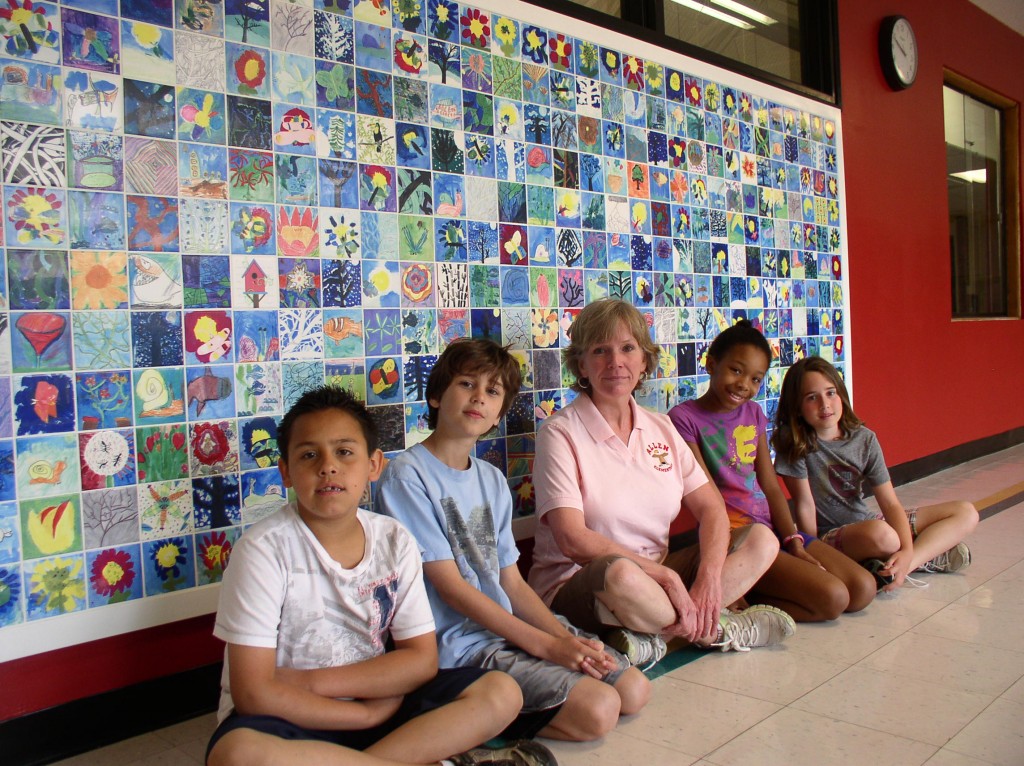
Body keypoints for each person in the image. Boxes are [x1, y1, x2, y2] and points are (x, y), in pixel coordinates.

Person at [206, 386, 557, 766]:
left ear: (374, 465)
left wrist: (349, 699)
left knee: (501, 693)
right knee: (237, 754)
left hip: (375, 700)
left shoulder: (394, 539)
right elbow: (254, 694)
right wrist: (364, 715)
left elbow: (420, 661)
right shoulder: (262, 551)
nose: (328, 466)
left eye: (344, 452)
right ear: (286, 472)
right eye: (309, 455)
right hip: (288, 716)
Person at [375, 338, 651, 743]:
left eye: (493, 391)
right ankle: (466, 711)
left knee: (632, 689)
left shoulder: (490, 480)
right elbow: (451, 590)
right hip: (459, 647)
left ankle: (514, 698)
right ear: (436, 396)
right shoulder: (406, 476)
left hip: (509, 628)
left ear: (499, 412)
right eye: (467, 384)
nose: (478, 398)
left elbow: (512, 584)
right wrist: (545, 648)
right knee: (599, 710)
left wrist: (563, 639)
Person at [528, 299, 796, 661]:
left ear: (644, 361)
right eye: (600, 351)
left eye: (627, 348)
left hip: (654, 580)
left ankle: (655, 635)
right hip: (585, 586)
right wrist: (667, 578)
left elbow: (713, 510)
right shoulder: (559, 434)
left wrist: (709, 579)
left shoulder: (662, 427)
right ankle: (717, 629)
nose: (615, 362)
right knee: (622, 574)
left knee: (762, 540)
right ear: (582, 366)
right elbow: (572, 539)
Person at [668, 321, 875, 621]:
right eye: (736, 370)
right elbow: (706, 497)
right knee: (833, 598)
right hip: (737, 539)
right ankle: (741, 591)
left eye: (755, 379)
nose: (744, 385)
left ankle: (756, 584)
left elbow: (770, 484)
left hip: (773, 528)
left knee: (862, 590)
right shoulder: (684, 418)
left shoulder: (753, 413)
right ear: (711, 364)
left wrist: (793, 539)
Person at [772, 356, 979, 591]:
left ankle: (905, 565)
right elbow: (804, 505)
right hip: (830, 536)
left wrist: (908, 552)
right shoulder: (795, 444)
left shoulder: (864, 439)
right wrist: (814, 553)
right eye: (812, 398)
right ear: (797, 408)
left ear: (841, 394)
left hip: (868, 524)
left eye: (830, 393)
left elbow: (889, 503)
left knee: (966, 512)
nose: (825, 404)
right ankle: (921, 555)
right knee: (885, 536)